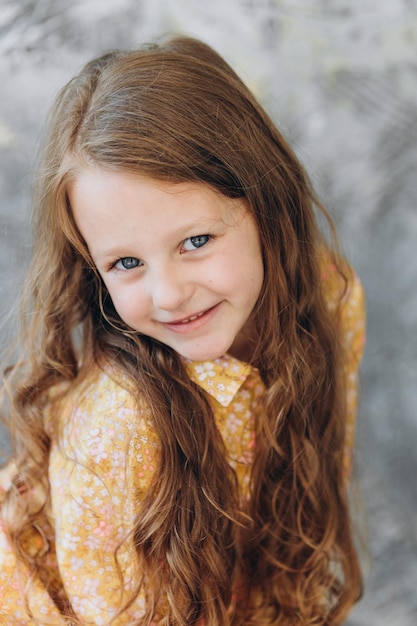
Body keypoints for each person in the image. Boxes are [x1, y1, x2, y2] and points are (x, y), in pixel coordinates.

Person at [0, 35, 365, 625]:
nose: (167, 295)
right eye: (126, 263)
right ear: (93, 267)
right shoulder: (116, 428)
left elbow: (318, 488)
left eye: (195, 241)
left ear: (266, 208)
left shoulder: (329, 296)